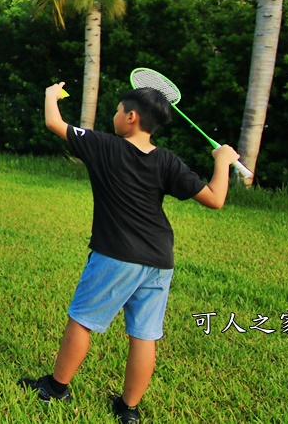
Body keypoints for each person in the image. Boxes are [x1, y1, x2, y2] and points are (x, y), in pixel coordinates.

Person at [17, 82, 240, 423]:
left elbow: (54, 124)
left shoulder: (104, 145)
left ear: (132, 117)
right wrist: (222, 161)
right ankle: (129, 409)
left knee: (82, 321)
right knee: (144, 334)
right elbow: (215, 198)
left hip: (115, 255)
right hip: (160, 260)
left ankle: (56, 388)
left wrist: (50, 95)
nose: (115, 115)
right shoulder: (167, 160)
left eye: (119, 110)